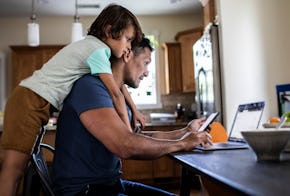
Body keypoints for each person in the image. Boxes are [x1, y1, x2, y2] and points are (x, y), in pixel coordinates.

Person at [0, 4, 145, 196]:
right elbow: (115, 93)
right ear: (109, 30)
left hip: (32, 100)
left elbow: (119, 85)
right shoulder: (98, 51)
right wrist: (127, 134)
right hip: (29, 101)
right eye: (128, 39)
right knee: (13, 171)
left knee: (16, 171)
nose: (129, 48)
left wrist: (135, 109)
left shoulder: (93, 48)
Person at [52, 37, 212, 195]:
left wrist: (185, 132)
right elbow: (126, 145)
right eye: (146, 62)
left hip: (110, 185)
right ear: (127, 55)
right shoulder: (90, 87)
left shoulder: (115, 92)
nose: (147, 73)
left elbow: (135, 136)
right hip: (83, 191)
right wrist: (182, 144)